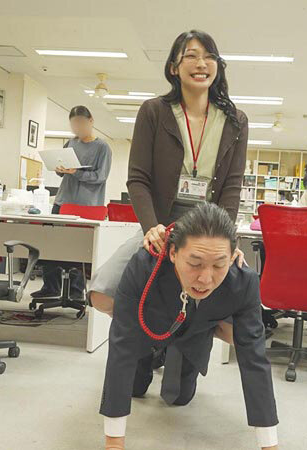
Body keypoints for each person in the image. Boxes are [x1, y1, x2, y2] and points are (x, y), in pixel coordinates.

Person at [87, 30, 248, 348]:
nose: (201, 63)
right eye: (191, 56)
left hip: (210, 226)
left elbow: (232, 186)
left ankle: (183, 334)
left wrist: (226, 239)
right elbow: (138, 178)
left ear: (218, 66)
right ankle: (153, 334)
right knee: (101, 294)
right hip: (161, 222)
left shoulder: (235, 120)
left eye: (209, 57)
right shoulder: (154, 111)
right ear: (174, 67)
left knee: (235, 329)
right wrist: (151, 228)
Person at [100, 203, 278, 450]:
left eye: (219, 265)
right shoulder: (145, 265)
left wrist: (270, 446)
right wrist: (114, 444)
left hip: (195, 332)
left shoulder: (243, 281)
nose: (205, 278)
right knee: (134, 387)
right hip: (153, 326)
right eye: (195, 263)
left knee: (180, 397)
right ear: (173, 252)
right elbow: (122, 346)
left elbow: (254, 359)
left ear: (232, 256)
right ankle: (153, 356)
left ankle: (175, 355)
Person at [30, 105, 112, 299]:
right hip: (63, 200)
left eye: (80, 124)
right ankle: (51, 287)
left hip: (87, 205)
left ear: (90, 121)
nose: (77, 128)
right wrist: (60, 169)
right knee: (51, 241)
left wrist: (77, 172)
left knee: (78, 247)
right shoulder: (70, 143)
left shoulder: (102, 147)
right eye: (74, 125)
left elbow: (100, 176)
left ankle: (76, 290)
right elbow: (63, 172)